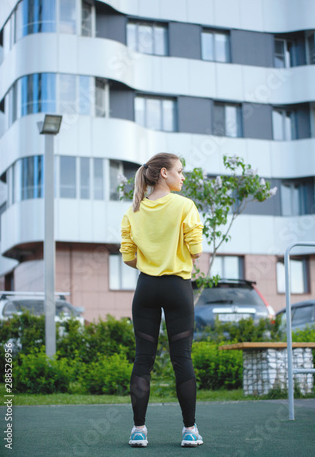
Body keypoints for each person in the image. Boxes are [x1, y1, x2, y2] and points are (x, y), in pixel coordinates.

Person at [119, 152, 204, 448]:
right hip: (177, 288)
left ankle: (139, 430)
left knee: (143, 359)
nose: (183, 176)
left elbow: (129, 257)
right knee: (182, 358)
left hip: (145, 289)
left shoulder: (133, 211)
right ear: (164, 173)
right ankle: (190, 431)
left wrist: (151, 260)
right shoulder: (185, 206)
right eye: (180, 171)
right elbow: (196, 251)